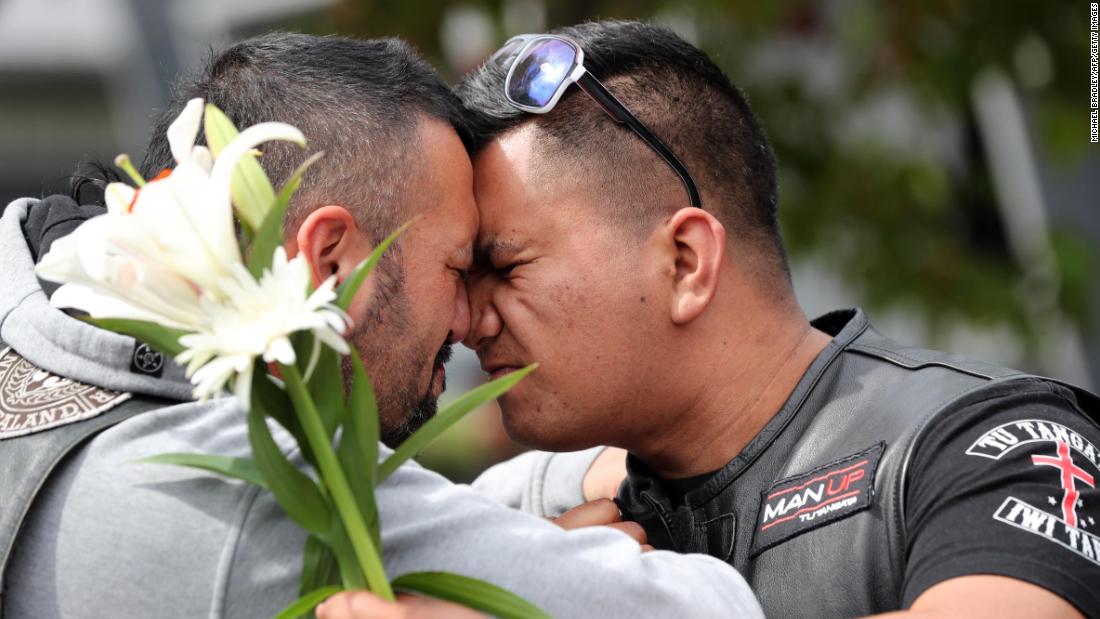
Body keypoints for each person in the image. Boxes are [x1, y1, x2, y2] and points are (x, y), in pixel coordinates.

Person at [0, 33, 765, 618]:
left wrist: (566, 488)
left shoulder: (36, 322)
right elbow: (707, 606)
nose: (468, 321)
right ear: (328, 259)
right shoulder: (239, 482)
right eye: (459, 265)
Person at [450, 19, 1100, 618]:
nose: (465, 320)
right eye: (461, 275)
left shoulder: (996, 442)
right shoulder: (531, 512)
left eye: (504, 268)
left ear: (685, 261)